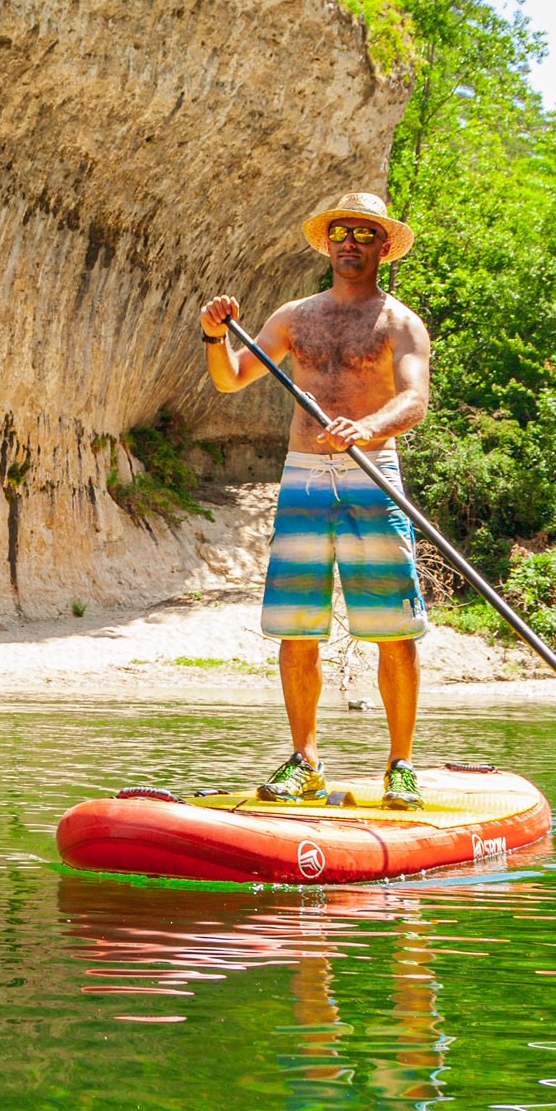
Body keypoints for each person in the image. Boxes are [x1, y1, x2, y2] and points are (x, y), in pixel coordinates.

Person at [197, 191, 434, 807]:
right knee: (296, 629)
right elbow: (230, 378)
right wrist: (212, 334)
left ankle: (401, 764)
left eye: (363, 232)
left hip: (371, 474)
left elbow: (414, 399)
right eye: (341, 232)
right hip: (303, 476)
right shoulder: (295, 316)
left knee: (392, 631)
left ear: (383, 246)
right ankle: (305, 761)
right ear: (328, 243)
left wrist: (368, 426)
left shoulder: (399, 322)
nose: (350, 241)